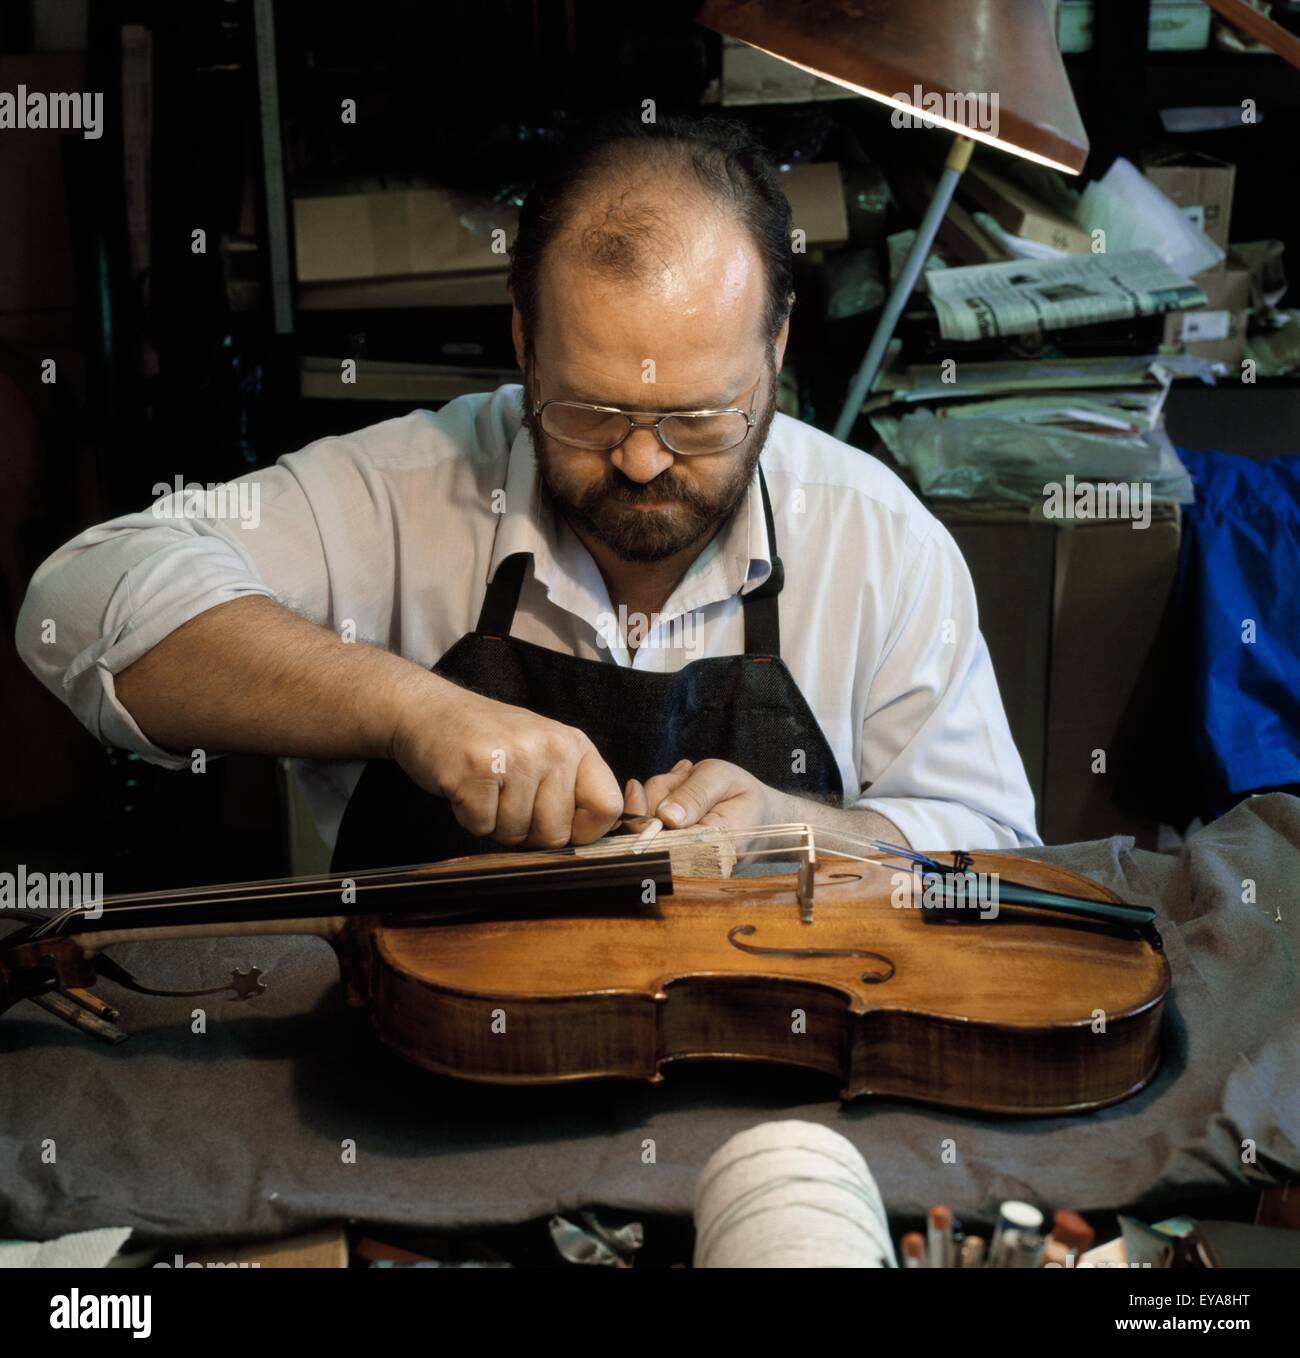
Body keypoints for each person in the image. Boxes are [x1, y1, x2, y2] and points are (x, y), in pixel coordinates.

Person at [17, 114, 1039, 870]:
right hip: (429, 1085)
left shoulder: (880, 540)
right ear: (523, 347)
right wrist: (409, 708)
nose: (641, 460)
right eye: (590, 413)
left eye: (694, 419)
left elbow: (994, 853)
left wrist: (804, 830)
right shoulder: (405, 489)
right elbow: (76, 605)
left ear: (774, 350)